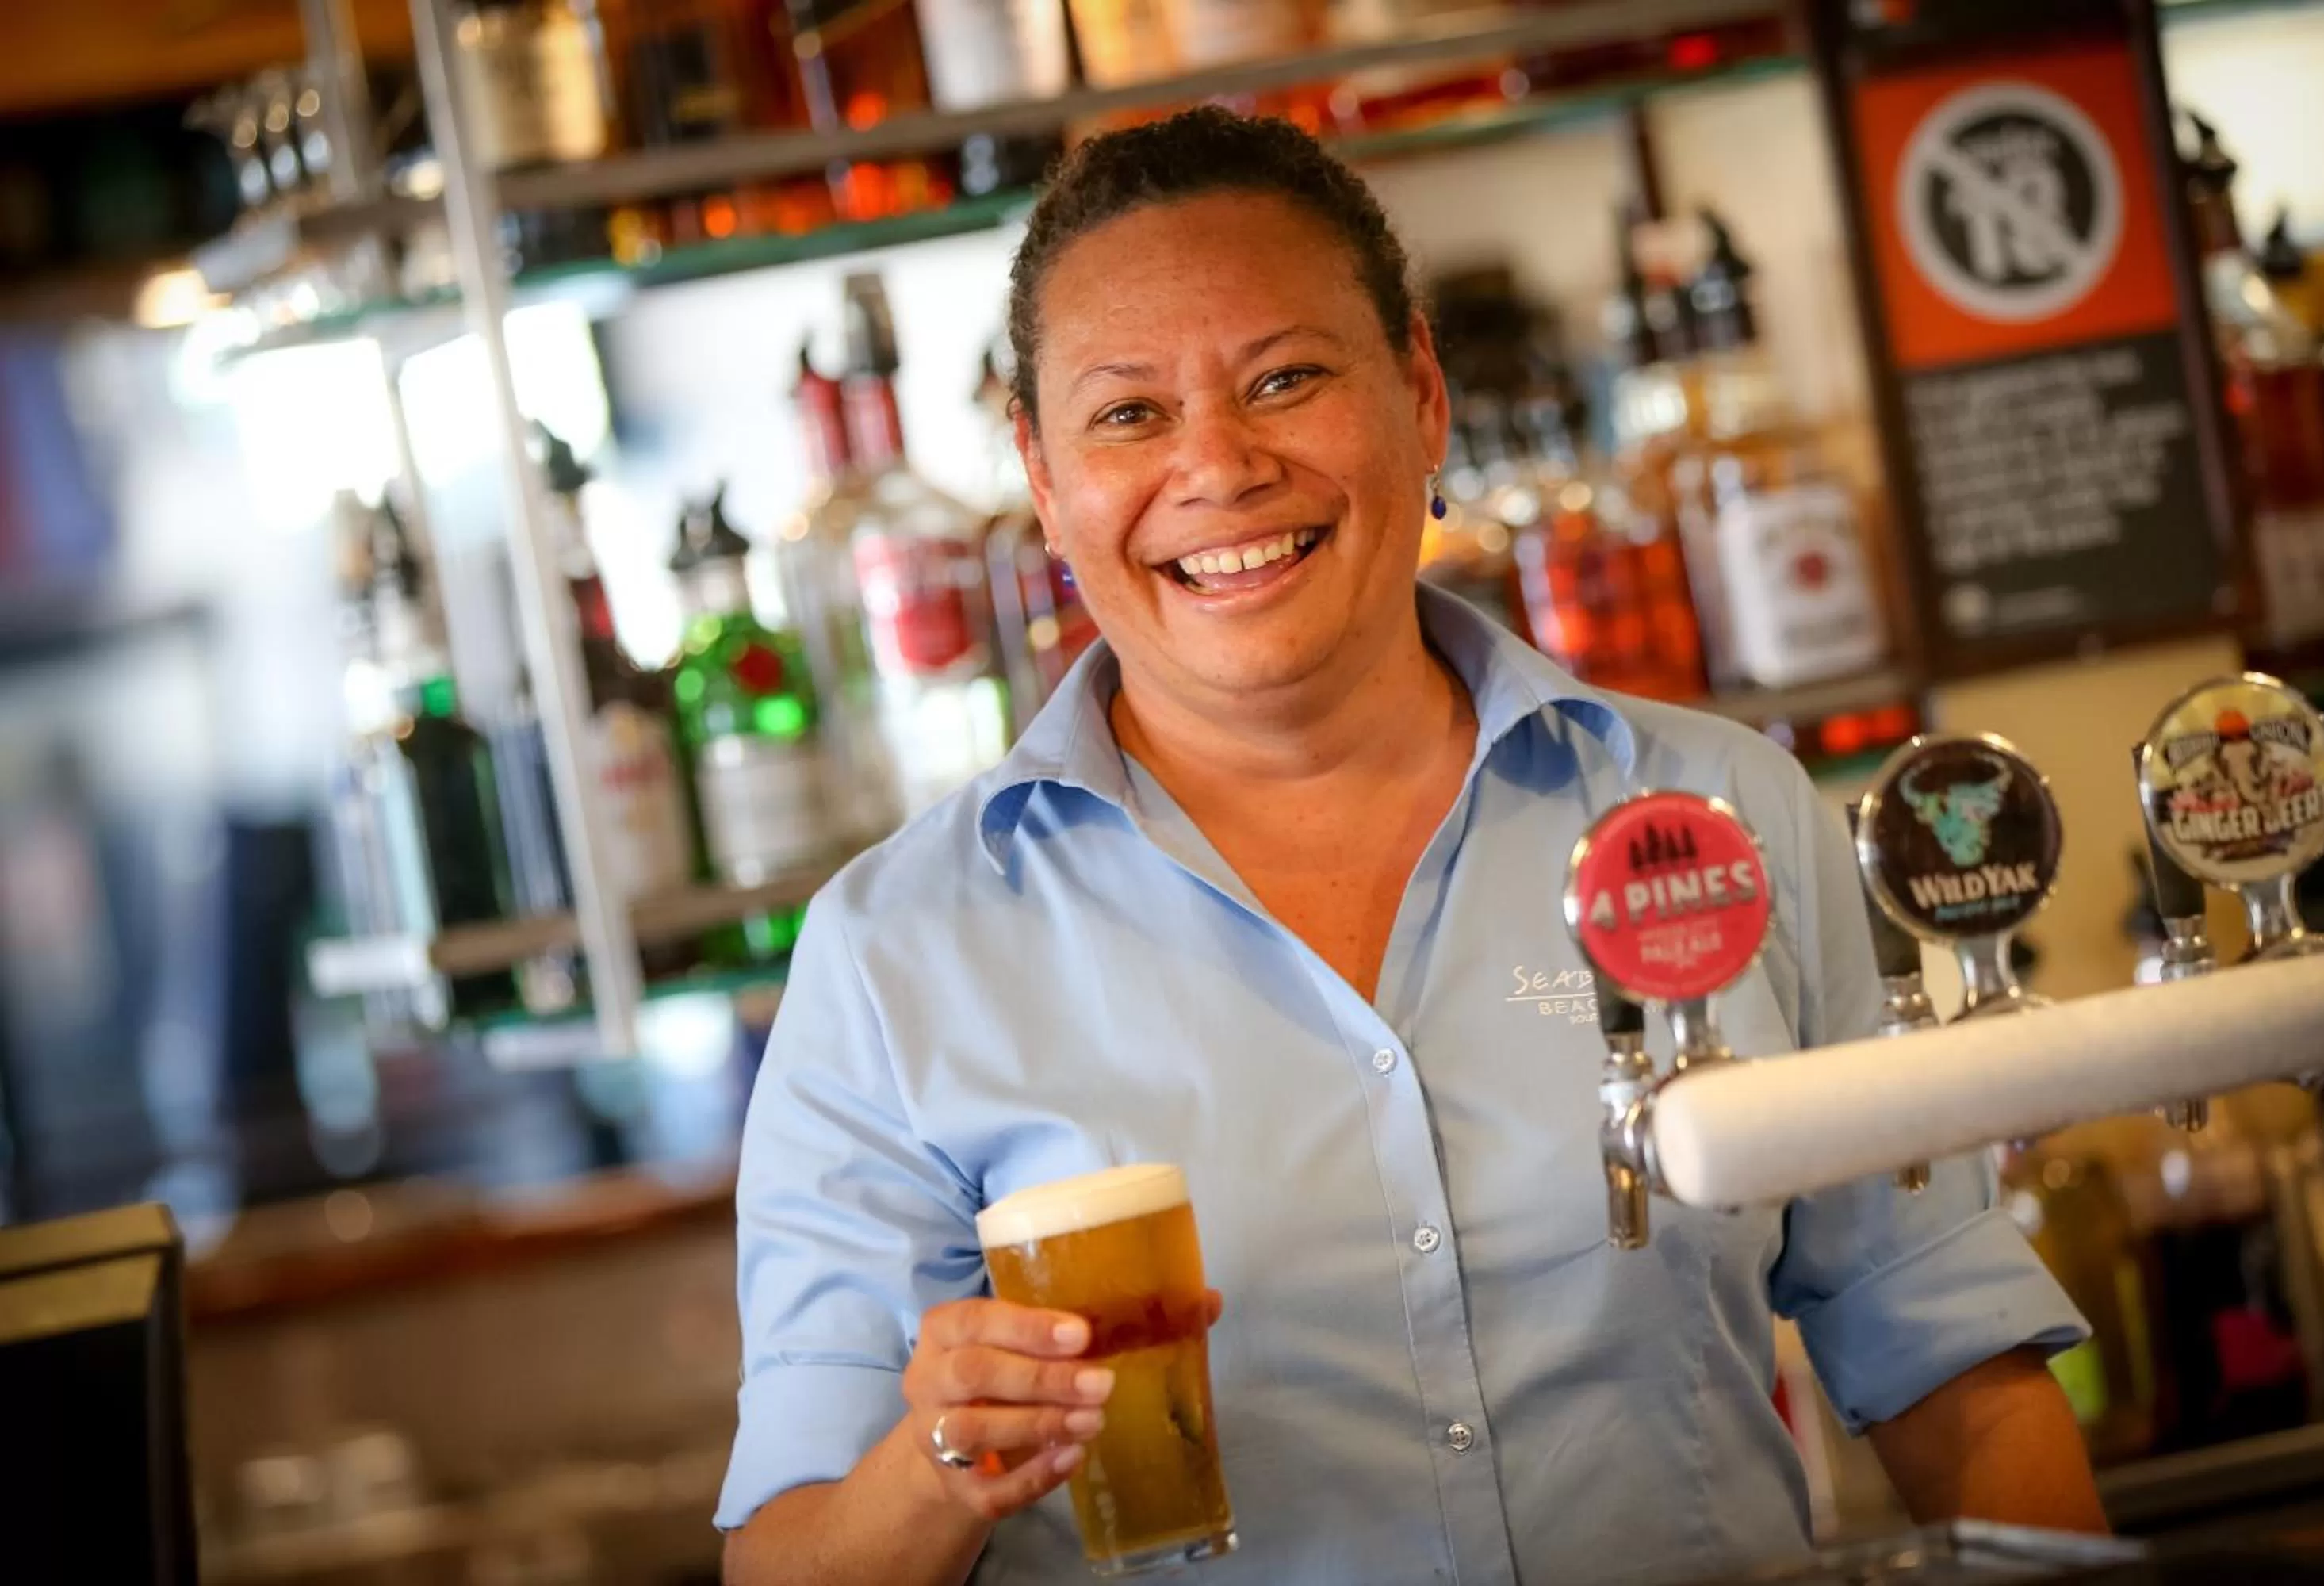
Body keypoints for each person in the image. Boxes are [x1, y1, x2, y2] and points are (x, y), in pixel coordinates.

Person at [719, 109, 2103, 1586]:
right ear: (1045, 484)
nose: (1219, 466)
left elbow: (1950, 1355)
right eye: (1128, 415)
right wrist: (945, 1459)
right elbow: (790, 1558)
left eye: (1288, 378)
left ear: (1422, 397)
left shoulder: (1721, 814)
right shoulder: (898, 953)